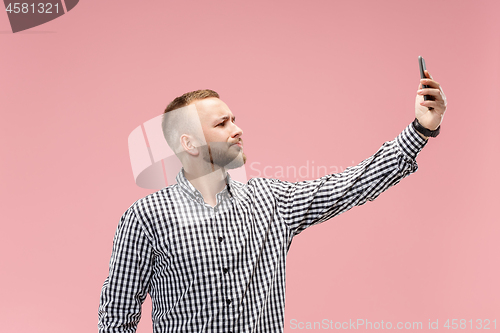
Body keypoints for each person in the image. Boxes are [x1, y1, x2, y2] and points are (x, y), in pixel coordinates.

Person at [98, 71, 447, 332]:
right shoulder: (146, 218)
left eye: (234, 119)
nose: (238, 129)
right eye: (222, 124)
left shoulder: (271, 200)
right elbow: (117, 316)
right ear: (189, 144)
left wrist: (419, 130)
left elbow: (348, 186)